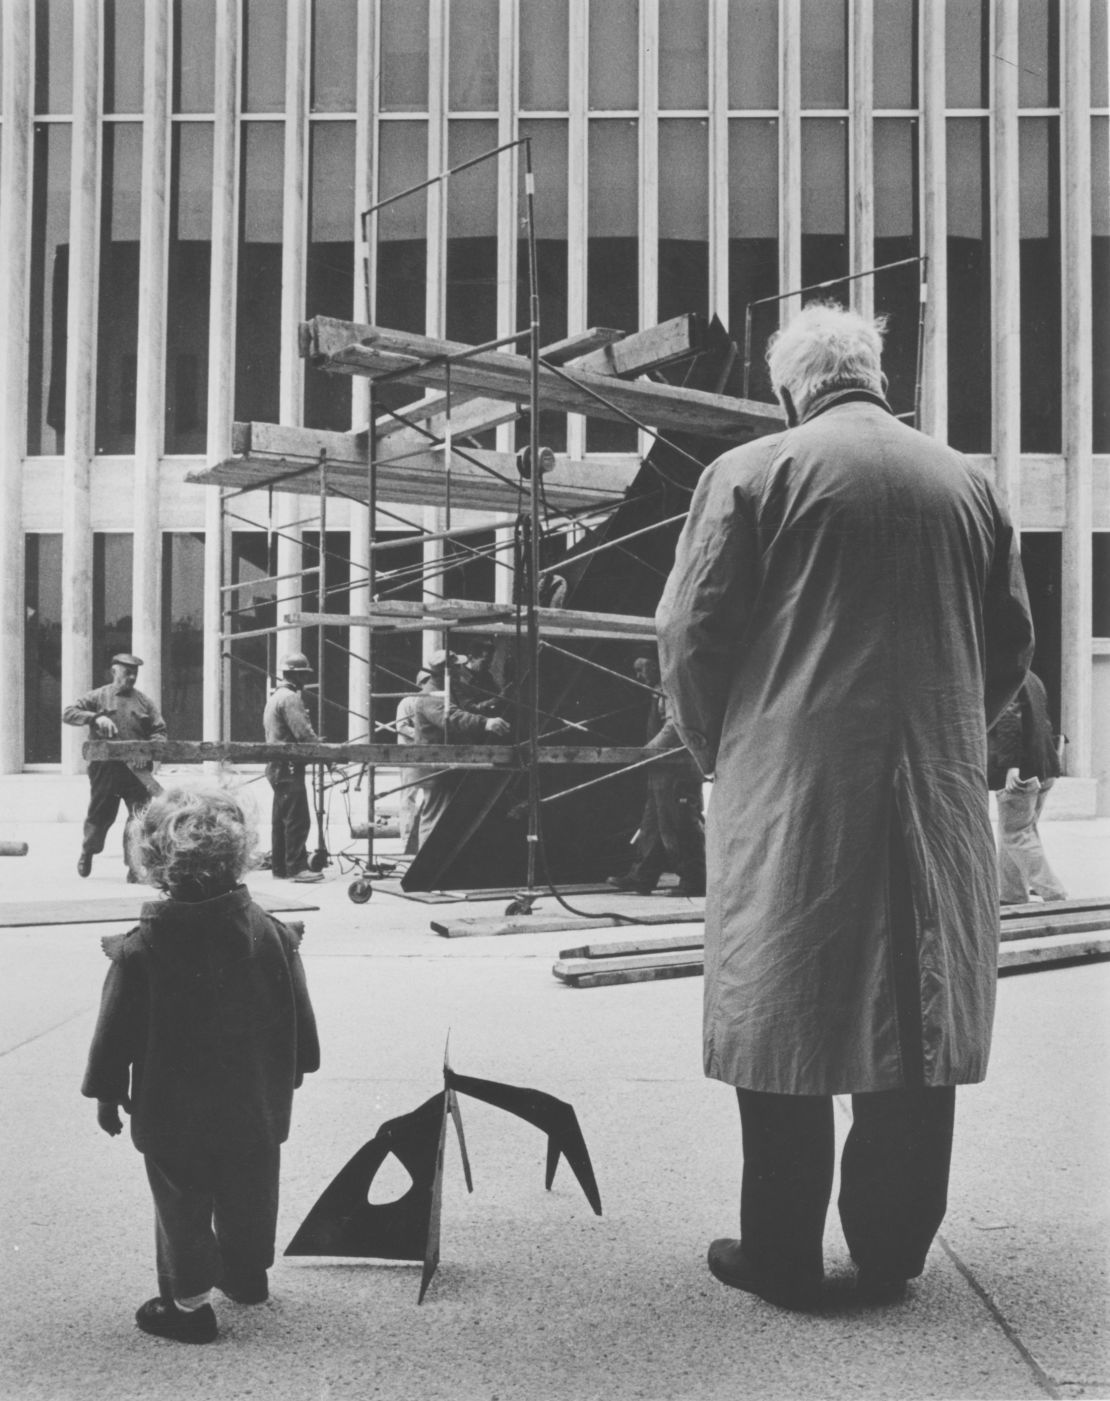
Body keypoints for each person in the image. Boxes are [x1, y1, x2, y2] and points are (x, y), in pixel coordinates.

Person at [656, 301, 1034, 1310]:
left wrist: (722, 753)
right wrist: (949, 730)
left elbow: (690, 636)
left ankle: (780, 1251)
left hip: (793, 786)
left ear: (791, 388)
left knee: (784, 1002)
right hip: (934, 788)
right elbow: (1012, 649)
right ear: (879, 377)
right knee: (917, 1002)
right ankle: (893, 1248)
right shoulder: (968, 484)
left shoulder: (750, 474)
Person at [81, 784, 320, 1344]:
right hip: (255, 1100)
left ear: (154, 863)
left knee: (182, 1197)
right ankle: (246, 1275)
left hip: (174, 1110)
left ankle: (188, 1305)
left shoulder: (141, 949)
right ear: (240, 854)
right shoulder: (271, 933)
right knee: (251, 1186)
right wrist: (299, 1065)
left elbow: (115, 1030)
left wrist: (107, 1091)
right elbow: (297, 1009)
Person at [607, 653, 705, 897]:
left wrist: (646, 753)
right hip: (662, 768)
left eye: (642, 669)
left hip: (677, 768)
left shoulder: (672, 688)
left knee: (680, 822)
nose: (638, 676)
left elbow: (675, 726)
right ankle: (643, 875)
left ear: (656, 664)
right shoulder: (658, 691)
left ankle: (695, 878)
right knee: (652, 823)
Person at [63, 652, 166, 882]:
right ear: (114, 672)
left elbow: (160, 732)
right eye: (127, 673)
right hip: (106, 769)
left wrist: (147, 751)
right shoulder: (98, 697)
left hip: (138, 772)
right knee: (100, 816)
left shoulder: (144, 702)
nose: (131, 678)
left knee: (139, 819)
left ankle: (135, 866)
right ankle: (89, 850)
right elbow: (68, 713)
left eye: (135, 674)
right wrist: (94, 718)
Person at [411, 650, 511, 848]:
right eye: (457, 667)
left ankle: (431, 865)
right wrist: (485, 723)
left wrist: (492, 704)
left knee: (442, 817)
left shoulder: (447, 690)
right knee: (435, 820)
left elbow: (465, 710)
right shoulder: (432, 696)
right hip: (435, 770)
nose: (461, 670)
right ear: (449, 670)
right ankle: (425, 868)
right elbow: (452, 718)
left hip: (444, 766)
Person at [988, 671, 1067, 904]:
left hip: (1020, 771)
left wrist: (1011, 765)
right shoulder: (1033, 678)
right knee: (1016, 830)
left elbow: (1009, 720)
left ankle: (1054, 892)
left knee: (1016, 833)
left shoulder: (1004, 678)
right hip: (1044, 766)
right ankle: (1011, 894)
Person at [263, 651, 323, 883]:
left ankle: (281, 867)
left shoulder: (276, 697)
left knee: (281, 819)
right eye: (303, 675)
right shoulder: (290, 698)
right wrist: (320, 749)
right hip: (289, 765)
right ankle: (297, 867)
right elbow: (303, 733)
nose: (305, 680)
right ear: (295, 675)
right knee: (297, 818)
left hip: (277, 765)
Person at [395, 667, 436, 851]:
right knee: (408, 797)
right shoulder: (408, 701)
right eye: (427, 681)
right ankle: (406, 840)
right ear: (420, 684)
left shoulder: (433, 701)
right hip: (410, 754)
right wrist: (423, 734)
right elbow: (402, 726)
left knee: (431, 794)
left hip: (427, 754)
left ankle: (424, 841)